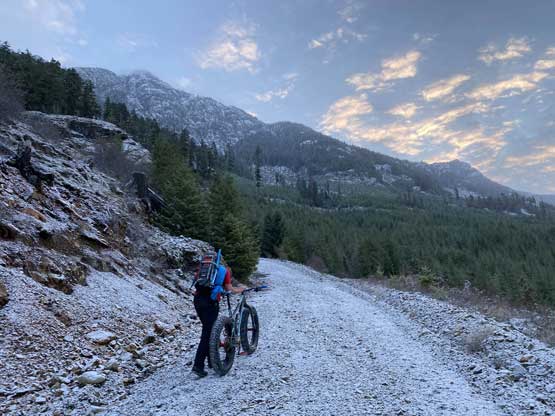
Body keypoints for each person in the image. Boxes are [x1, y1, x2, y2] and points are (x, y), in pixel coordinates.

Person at [192, 257, 244, 378]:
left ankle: (211, 361)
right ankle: (198, 366)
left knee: (208, 330)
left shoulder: (202, 269)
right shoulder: (224, 271)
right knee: (208, 334)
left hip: (198, 301)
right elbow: (229, 289)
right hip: (210, 303)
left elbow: (196, 284)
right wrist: (241, 289)